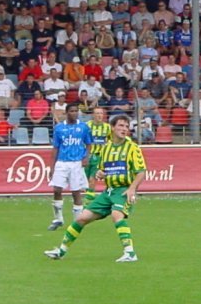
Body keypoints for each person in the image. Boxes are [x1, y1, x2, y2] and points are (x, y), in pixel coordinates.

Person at [45, 114, 146, 263]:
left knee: (116, 215)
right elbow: (101, 170)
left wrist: (132, 189)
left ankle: (130, 253)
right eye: (121, 125)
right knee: (81, 218)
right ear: (112, 127)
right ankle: (61, 251)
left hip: (122, 190)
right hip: (108, 191)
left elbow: (141, 171)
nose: (124, 129)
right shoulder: (106, 148)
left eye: (126, 126)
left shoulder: (132, 147)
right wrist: (100, 173)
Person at [47, 104, 93, 232]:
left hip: (76, 163)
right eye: (72, 111)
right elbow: (55, 147)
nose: (75, 113)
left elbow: (89, 144)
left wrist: (86, 157)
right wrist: (52, 167)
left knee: (76, 192)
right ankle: (58, 219)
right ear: (67, 113)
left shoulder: (83, 127)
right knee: (56, 189)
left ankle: (77, 222)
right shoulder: (59, 128)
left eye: (76, 111)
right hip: (62, 162)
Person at [85, 107, 112, 202]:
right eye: (97, 113)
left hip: (99, 156)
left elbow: (111, 141)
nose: (99, 115)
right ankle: (88, 198)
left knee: (93, 179)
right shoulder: (87, 126)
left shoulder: (107, 127)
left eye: (101, 113)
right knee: (86, 180)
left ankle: (88, 203)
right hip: (87, 156)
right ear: (93, 115)